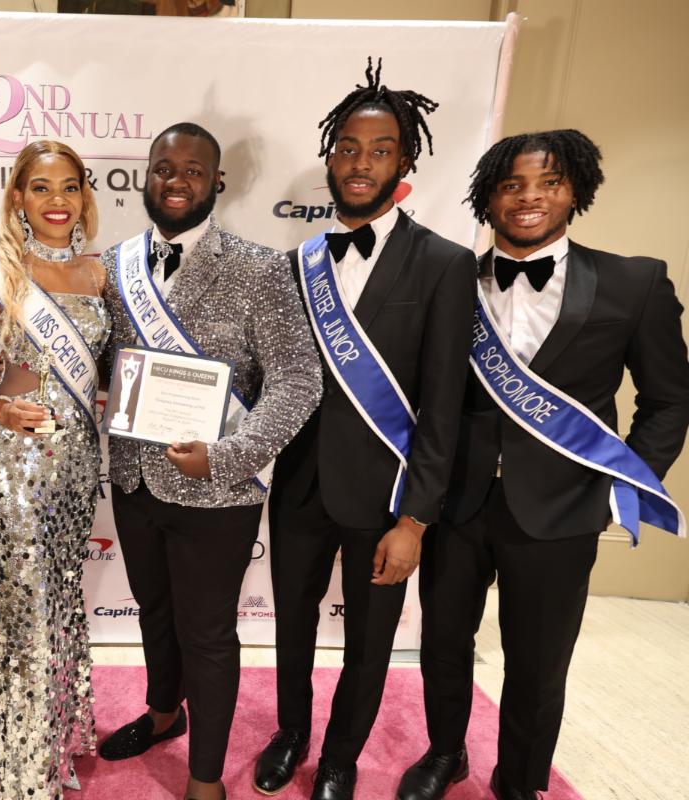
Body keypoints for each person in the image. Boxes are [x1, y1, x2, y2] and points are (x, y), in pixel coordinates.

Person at [396, 130, 689, 800]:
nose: (529, 198)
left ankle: (521, 781)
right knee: (443, 644)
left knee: (537, 664)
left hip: (561, 508)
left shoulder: (633, 280)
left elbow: (669, 399)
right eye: (512, 185)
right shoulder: (451, 280)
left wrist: (624, 483)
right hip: (456, 502)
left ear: (575, 190)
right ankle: (446, 754)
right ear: (488, 197)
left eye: (549, 182)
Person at [255, 59, 476, 800]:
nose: (360, 163)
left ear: (405, 162)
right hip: (298, 487)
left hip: (386, 498)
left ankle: (341, 758)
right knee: (290, 628)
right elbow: (270, 380)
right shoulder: (298, 264)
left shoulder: (446, 265)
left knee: (369, 642)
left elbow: (443, 406)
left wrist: (417, 518)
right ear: (329, 156)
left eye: (379, 150)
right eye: (348, 147)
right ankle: (291, 734)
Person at [96, 122, 323, 800]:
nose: (176, 180)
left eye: (193, 170)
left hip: (217, 494)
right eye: (164, 168)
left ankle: (205, 778)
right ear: (146, 175)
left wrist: (229, 457)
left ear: (216, 182)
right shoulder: (114, 266)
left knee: (209, 635)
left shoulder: (259, 267)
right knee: (153, 613)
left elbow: (297, 379)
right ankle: (165, 714)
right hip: (135, 480)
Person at [0, 140, 108, 799]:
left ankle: (50, 738)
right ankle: (14, 759)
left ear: (84, 197)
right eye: (41, 188)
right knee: (26, 600)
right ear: (17, 197)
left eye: (69, 187)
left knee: (61, 592)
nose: (56, 201)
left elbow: (116, 373)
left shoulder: (100, 275)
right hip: (17, 457)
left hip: (77, 461)